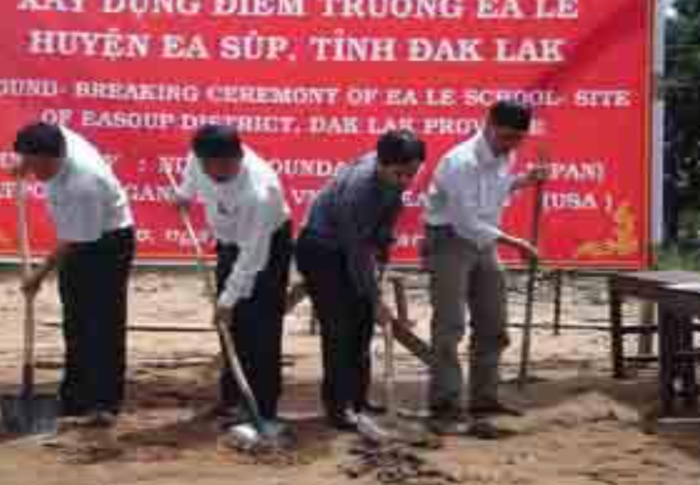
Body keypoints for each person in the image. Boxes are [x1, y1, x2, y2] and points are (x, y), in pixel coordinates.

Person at [423, 100, 547, 432]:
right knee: (450, 326)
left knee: (493, 322)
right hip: (449, 240)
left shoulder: (507, 156)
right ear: (488, 124)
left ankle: (484, 397)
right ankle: (446, 403)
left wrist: (523, 181)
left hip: (484, 243)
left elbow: (494, 193)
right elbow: (465, 221)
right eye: (506, 137)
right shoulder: (459, 161)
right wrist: (517, 243)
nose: (510, 145)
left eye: (517, 139)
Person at [296, 129, 426, 431]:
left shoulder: (392, 172)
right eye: (401, 174)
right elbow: (356, 253)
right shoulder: (358, 190)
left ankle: (358, 399)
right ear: (381, 163)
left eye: (412, 173)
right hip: (322, 250)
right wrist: (375, 298)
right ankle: (338, 407)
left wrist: (384, 245)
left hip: (353, 249)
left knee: (362, 325)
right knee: (340, 328)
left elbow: (385, 221)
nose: (406, 180)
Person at [15, 122, 135, 426]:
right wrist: (23, 163)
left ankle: (104, 402)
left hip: (106, 243)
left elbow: (76, 241)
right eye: (26, 161)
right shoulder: (55, 138)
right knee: (76, 319)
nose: (32, 172)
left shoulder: (84, 183)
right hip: (80, 238)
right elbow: (43, 136)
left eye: (35, 165)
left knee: (102, 324)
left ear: (53, 158)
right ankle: (75, 397)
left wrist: (39, 275)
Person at [170, 125, 292, 423]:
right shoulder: (200, 159)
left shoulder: (260, 192)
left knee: (259, 329)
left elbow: (253, 257)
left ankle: (262, 410)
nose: (215, 172)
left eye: (224, 166)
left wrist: (227, 300)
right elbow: (191, 170)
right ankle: (231, 399)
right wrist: (185, 194)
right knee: (230, 329)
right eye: (208, 166)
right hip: (229, 241)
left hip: (265, 249)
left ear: (238, 157)